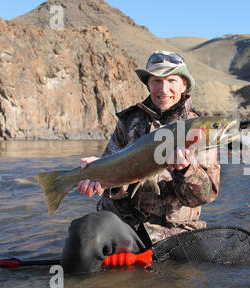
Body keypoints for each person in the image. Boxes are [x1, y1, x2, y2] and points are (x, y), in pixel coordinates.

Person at [60, 51, 221, 273]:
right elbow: (111, 173)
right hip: (125, 229)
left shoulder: (199, 130)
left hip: (175, 236)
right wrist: (101, 178)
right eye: (156, 81)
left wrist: (185, 171)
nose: (163, 90)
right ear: (148, 85)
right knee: (86, 231)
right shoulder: (128, 121)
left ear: (184, 85)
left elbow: (206, 195)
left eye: (172, 80)